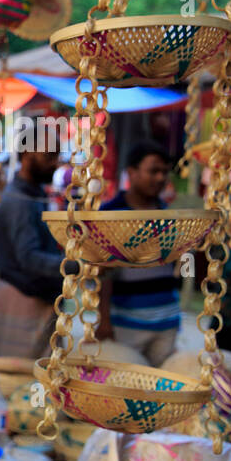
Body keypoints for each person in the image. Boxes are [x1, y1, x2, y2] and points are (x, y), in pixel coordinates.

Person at [96, 142, 181, 366]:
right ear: (131, 172)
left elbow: (179, 267)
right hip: (125, 323)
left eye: (164, 172)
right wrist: (104, 320)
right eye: (153, 171)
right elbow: (102, 272)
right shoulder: (110, 213)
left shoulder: (169, 214)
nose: (161, 178)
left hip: (167, 320)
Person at [0, 135, 64, 359]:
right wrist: (73, 265)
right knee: (20, 379)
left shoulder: (33, 193)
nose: (54, 163)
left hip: (35, 296)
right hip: (23, 297)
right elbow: (29, 257)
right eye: (48, 156)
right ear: (26, 155)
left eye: (56, 157)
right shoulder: (19, 200)